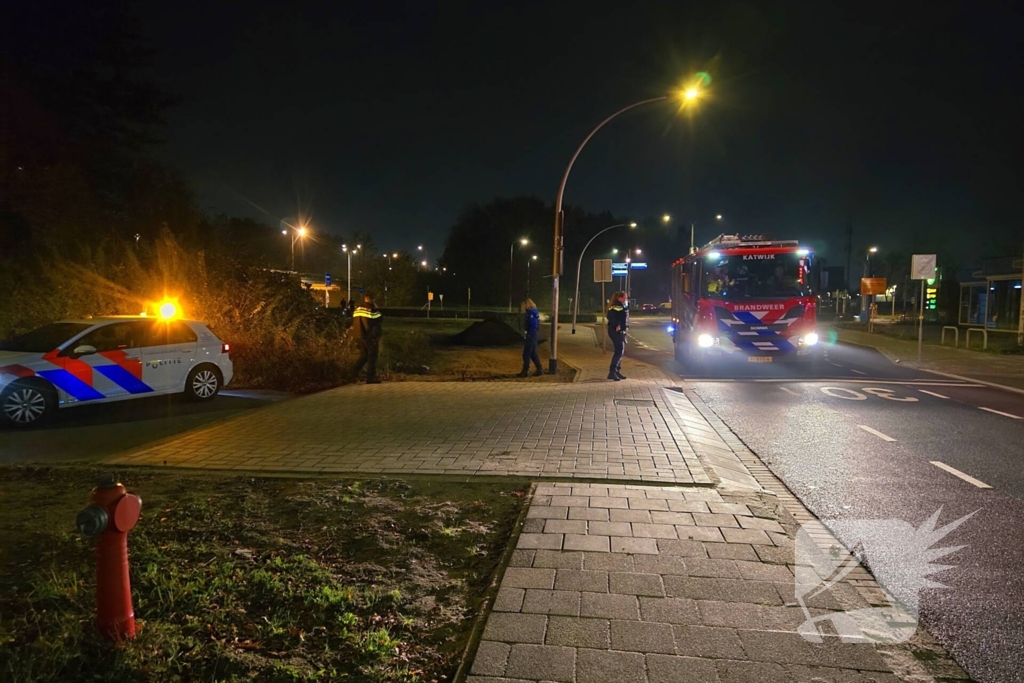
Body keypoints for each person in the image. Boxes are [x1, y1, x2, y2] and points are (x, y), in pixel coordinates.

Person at [351, 292, 383, 384]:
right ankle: (371, 377)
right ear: (372, 300)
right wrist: (376, 307)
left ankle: (352, 374)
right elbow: (379, 318)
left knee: (364, 356)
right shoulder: (371, 309)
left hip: (359, 336)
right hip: (369, 336)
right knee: (372, 357)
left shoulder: (358, 309)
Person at [518, 298, 544, 377]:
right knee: (533, 353)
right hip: (534, 335)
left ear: (527, 305)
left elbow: (533, 325)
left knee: (526, 354)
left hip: (531, 335)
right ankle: (539, 369)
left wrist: (528, 334)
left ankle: (525, 371)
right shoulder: (534, 312)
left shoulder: (531, 313)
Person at [606, 291, 628, 381]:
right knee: (619, 351)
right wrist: (617, 325)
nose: (626, 299)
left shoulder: (619, 306)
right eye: (624, 298)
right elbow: (612, 317)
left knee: (620, 350)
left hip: (618, 331)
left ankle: (616, 371)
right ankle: (612, 372)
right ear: (619, 298)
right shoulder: (617, 307)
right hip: (615, 331)